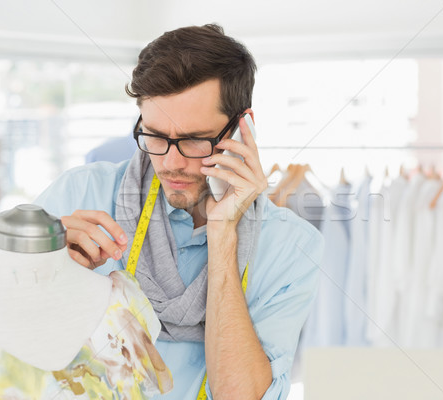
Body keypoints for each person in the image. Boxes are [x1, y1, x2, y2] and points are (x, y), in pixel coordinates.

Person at [36, 24, 323, 400]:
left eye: (193, 140)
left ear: (242, 127)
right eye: (154, 135)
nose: (170, 162)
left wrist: (224, 236)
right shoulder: (79, 193)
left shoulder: (291, 247)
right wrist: (47, 273)